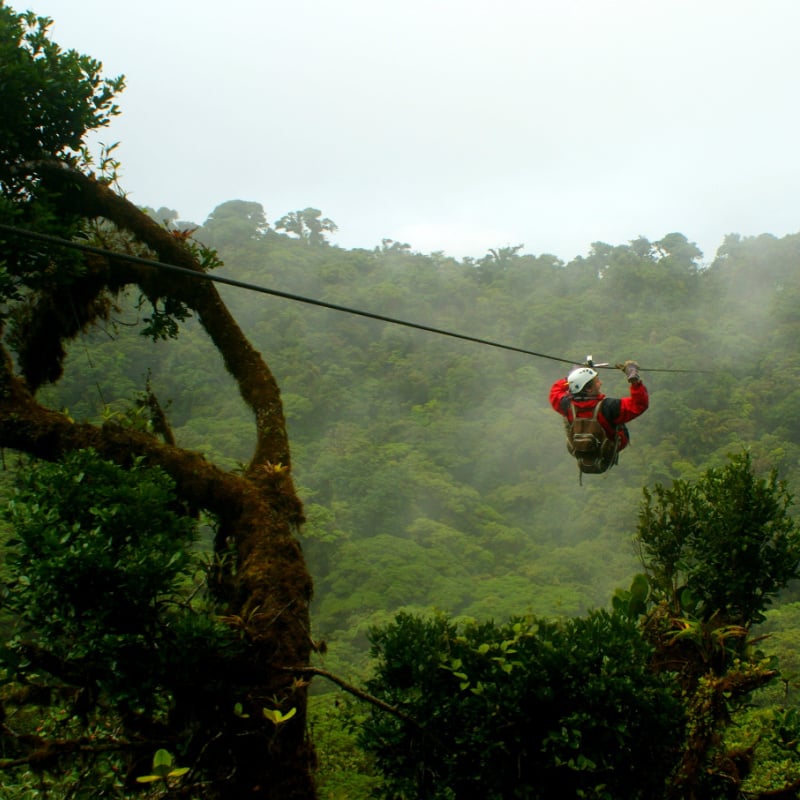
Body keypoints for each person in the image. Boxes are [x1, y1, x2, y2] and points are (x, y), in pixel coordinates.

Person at [549, 360, 649, 473]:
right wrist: (635, 381)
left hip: (582, 449)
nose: (600, 383)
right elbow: (639, 404)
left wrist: (572, 376)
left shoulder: (566, 404)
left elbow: (555, 391)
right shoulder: (609, 407)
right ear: (589, 389)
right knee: (616, 421)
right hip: (608, 448)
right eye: (597, 382)